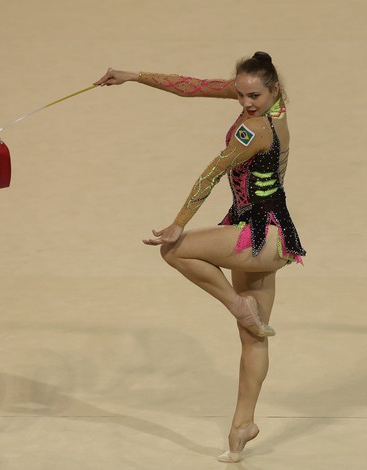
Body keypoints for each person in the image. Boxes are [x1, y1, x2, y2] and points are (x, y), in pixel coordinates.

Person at [94, 51, 305, 463]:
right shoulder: (268, 101)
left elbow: (210, 173)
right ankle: (242, 426)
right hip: (269, 236)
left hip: (259, 235)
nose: (245, 103)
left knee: (176, 249)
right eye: (241, 94)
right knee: (254, 336)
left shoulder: (257, 130)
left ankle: (237, 305)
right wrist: (134, 75)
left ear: (273, 89)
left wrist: (178, 222)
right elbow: (192, 86)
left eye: (254, 96)